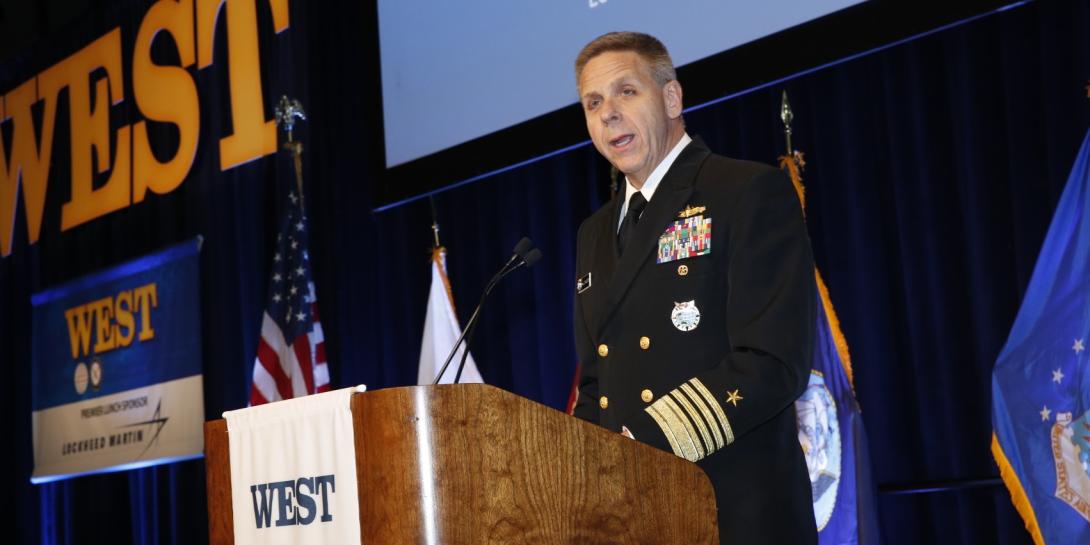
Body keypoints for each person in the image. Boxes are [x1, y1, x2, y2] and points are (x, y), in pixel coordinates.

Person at [570, 31, 818, 544]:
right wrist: (580, 472)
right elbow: (596, 383)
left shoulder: (744, 191)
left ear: (672, 98)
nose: (608, 113)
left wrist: (642, 444)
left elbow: (772, 362)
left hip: (734, 514)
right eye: (593, 103)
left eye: (626, 92)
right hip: (638, 522)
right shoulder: (593, 234)